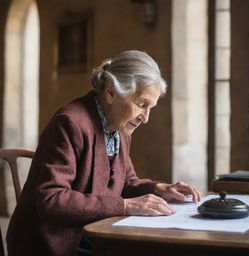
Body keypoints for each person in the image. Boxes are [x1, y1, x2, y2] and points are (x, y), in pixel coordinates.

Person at [7, 50, 201, 256]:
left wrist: (160, 188)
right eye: (141, 104)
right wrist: (124, 205)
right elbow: (52, 200)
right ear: (110, 91)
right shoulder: (70, 123)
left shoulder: (121, 128)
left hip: (91, 233)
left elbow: (125, 183)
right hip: (52, 243)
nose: (145, 118)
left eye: (150, 107)